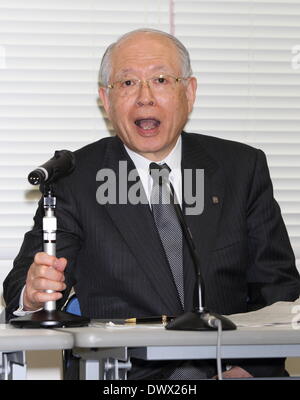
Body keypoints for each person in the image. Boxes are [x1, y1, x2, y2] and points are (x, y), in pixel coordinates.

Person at [3, 28, 300, 379]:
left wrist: (248, 367)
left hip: (231, 370)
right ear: (105, 99)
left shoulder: (240, 169)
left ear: (188, 92)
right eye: (127, 83)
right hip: (127, 375)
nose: (145, 97)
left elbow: (279, 292)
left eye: (160, 79)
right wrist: (33, 295)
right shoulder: (75, 179)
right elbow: (22, 286)